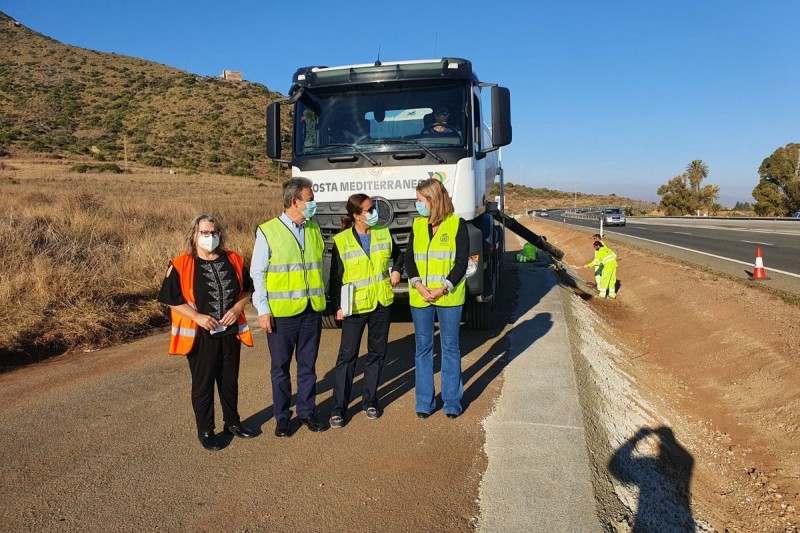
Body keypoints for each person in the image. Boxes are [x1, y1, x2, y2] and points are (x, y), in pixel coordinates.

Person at [157, 214, 256, 451]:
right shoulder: (181, 264)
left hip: (230, 331)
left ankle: (232, 422)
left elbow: (247, 290)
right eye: (204, 233)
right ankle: (206, 431)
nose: (210, 237)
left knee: (229, 381)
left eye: (214, 232)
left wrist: (236, 308)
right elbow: (170, 299)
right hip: (201, 335)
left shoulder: (234, 259)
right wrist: (197, 317)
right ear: (194, 236)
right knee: (203, 385)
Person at [251, 177, 327, 437]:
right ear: (295, 201)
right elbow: (257, 273)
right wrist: (262, 309)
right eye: (310, 198)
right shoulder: (267, 231)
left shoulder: (313, 229)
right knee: (280, 369)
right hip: (281, 315)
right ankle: (282, 417)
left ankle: (307, 412)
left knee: (308, 367)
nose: (314, 202)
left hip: (311, 310)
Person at [327, 194, 404, 428]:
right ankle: (339, 407)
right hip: (355, 306)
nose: (374, 213)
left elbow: (399, 255)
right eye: (370, 210)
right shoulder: (342, 241)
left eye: (375, 208)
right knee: (347, 357)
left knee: (377, 354)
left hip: (381, 303)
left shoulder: (383, 233)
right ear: (356, 215)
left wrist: (397, 270)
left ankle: (370, 400)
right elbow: (335, 278)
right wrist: (337, 307)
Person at [405, 178, 469, 419]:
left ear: (433, 200)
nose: (417, 204)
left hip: (448, 296)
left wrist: (443, 288)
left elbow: (462, 262)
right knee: (423, 348)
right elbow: (409, 259)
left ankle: (452, 401)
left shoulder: (456, 225)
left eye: (420, 200)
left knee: (450, 348)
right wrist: (420, 286)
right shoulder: (417, 225)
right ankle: (424, 402)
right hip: (420, 296)